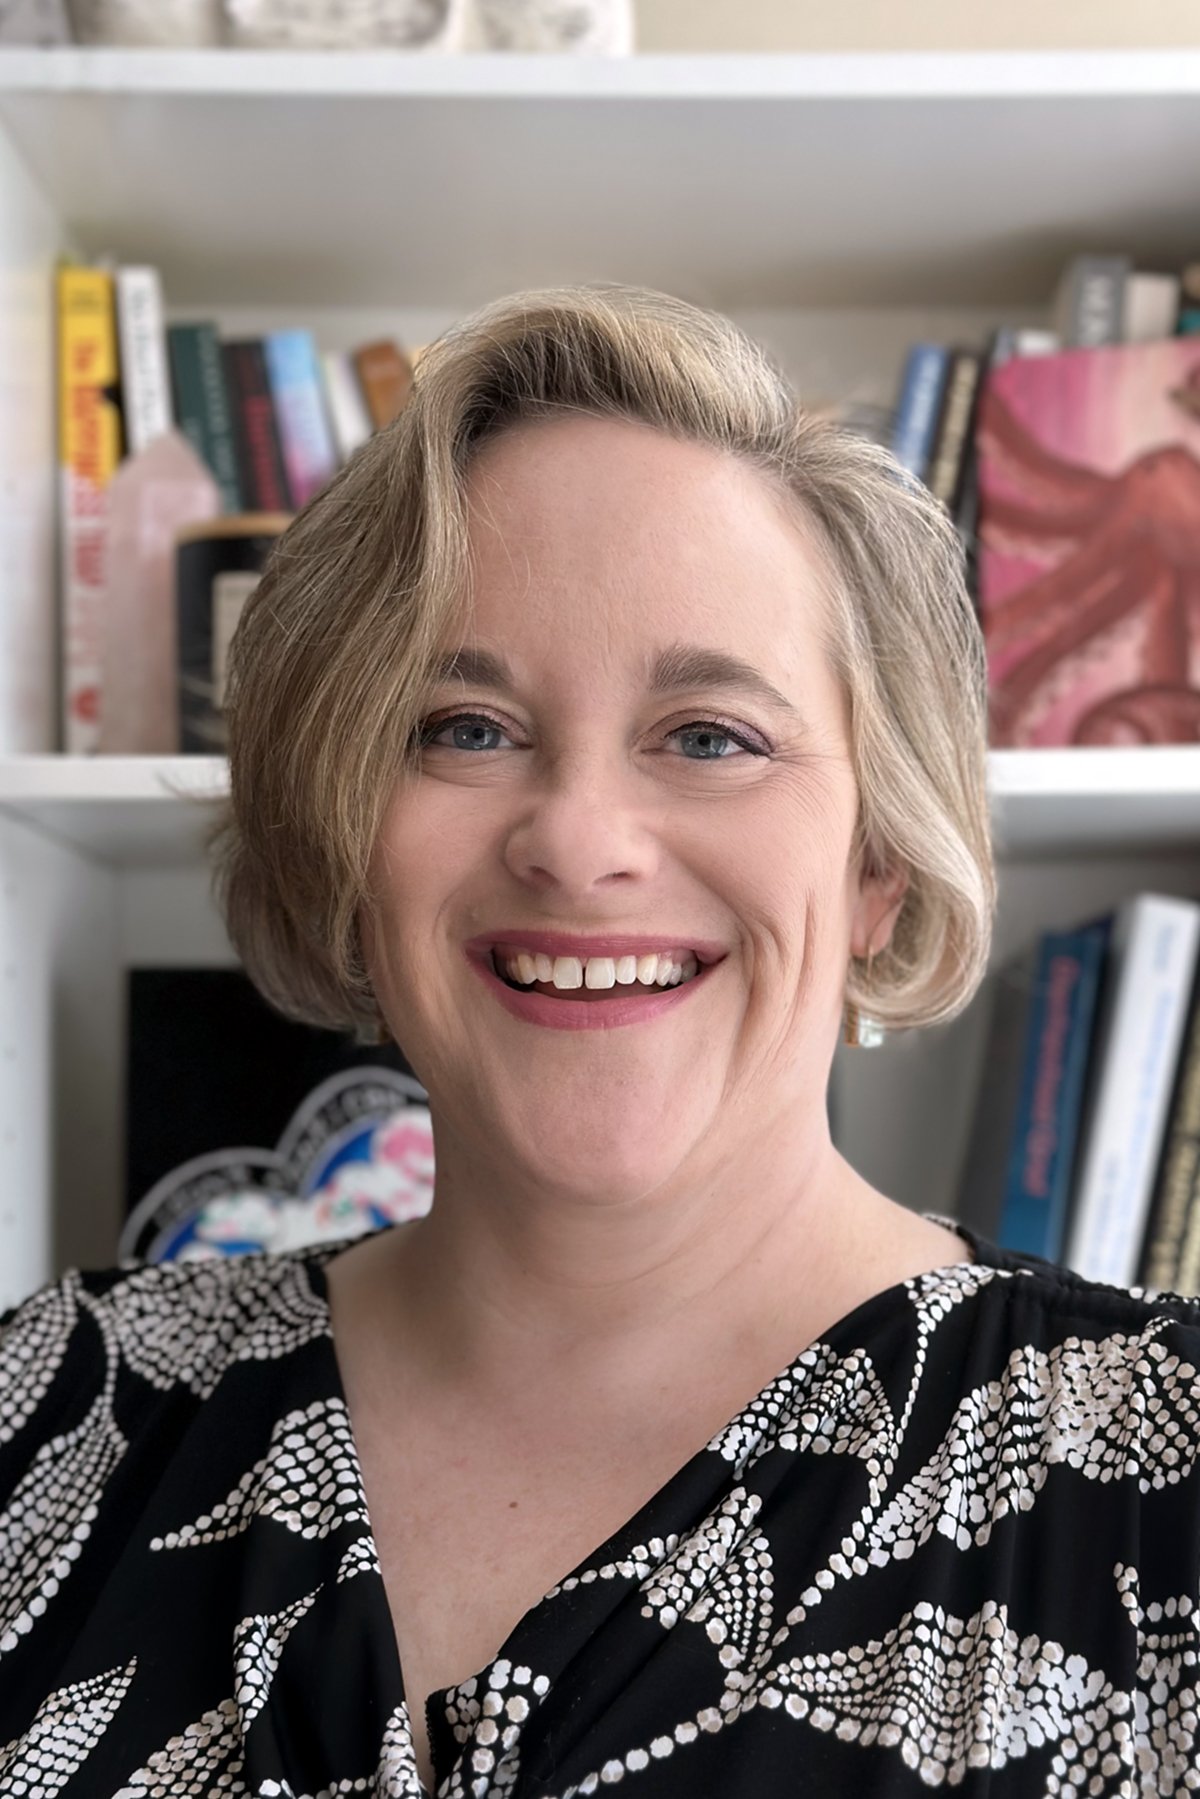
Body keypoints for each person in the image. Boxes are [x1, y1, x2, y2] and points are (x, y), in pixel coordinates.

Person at [2, 286, 1198, 1798]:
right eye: (463, 727)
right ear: (347, 833)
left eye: (710, 737)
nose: (577, 842)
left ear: (877, 863)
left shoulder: (1168, 1475)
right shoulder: (47, 1406)